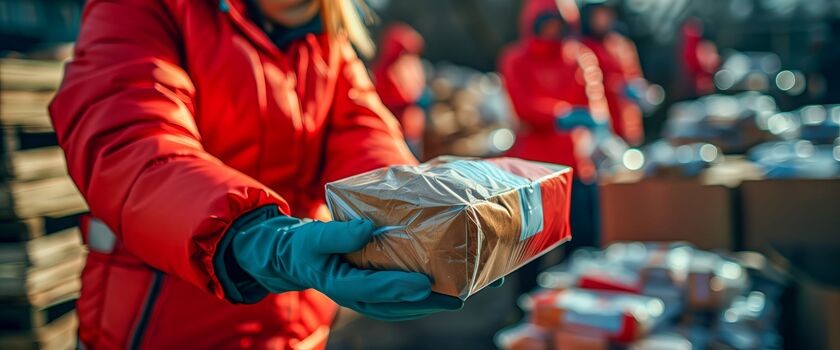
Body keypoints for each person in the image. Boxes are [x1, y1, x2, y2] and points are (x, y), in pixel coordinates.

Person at [48, 0, 464, 348]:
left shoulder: (329, 45)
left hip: (298, 331)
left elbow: (365, 140)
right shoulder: (146, 8)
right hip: (162, 328)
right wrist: (251, 236)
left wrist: (421, 219)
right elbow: (129, 143)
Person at [499, 0, 609, 293]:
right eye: (546, 24)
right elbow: (522, 105)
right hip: (534, 171)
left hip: (577, 166)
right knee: (532, 248)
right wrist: (560, 114)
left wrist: (597, 121)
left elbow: (594, 100)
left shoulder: (580, 57)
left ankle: (578, 310)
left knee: (583, 243)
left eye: (557, 25)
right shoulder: (516, 59)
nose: (552, 31)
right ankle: (526, 310)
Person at [578, 0, 645, 146]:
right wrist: (617, 87)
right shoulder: (581, 48)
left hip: (628, 122)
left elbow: (634, 75)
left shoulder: (622, 44)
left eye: (607, 13)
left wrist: (641, 90)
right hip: (603, 126)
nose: (604, 19)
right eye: (598, 14)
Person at [371, 23, 428, 158]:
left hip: (410, 124)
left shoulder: (409, 64)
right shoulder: (386, 68)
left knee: (412, 159)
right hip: (396, 125)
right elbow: (393, 96)